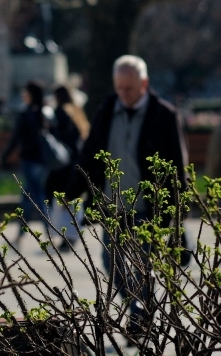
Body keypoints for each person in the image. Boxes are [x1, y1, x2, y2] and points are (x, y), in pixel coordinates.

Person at [75, 55, 187, 340]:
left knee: (143, 266)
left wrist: (178, 212)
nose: (123, 94)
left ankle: (141, 319)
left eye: (129, 88)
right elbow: (90, 153)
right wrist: (72, 190)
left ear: (144, 84)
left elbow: (177, 164)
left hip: (147, 207)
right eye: (119, 88)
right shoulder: (107, 110)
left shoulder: (164, 115)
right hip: (112, 205)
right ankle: (138, 308)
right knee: (110, 262)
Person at [0, 81, 49, 245]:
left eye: (25, 92)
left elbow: (14, 139)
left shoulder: (26, 114)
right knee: (28, 198)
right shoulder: (43, 113)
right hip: (42, 162)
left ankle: (49, 233)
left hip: (29, 160)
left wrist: (1, 157)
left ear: (31, 94)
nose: (23, 94)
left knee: (35, 198)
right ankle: (21, 236)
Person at [46, 85, 90, 252]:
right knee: (72, 199)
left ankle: (68, 235)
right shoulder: (76, 111)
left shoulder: (61, 113)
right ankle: (71, 235)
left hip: (64, 163)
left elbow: (58, 136)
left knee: (62, 200)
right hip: (76, 161)